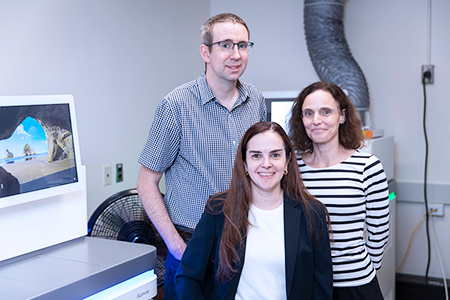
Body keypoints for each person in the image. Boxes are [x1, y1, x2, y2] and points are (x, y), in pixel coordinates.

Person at [136, 13, 266, 299]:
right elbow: (146, 183)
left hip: (245, 243)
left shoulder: (255, 100)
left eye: (243, 45)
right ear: (205, 52)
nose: (236, 54)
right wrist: (177, 247)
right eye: (226, 45)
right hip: (192, 246)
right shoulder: (176, 106)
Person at [176, 121, 333, 300]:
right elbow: (188, 275)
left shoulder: (312, 213)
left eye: (275, 155)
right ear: (244, 163)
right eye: (256, 155)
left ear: (287, 160)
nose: (266, 164)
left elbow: (322, 286)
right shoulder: (220, 209)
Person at [288, 82, 390, 300]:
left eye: (326, 112)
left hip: (355, 284)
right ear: (301, 119)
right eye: (308, 113)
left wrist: (361, 269)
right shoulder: (292, 167)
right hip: (309, 284)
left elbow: (379, 233)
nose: (316, 120)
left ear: (342, 116)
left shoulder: (367, 166)